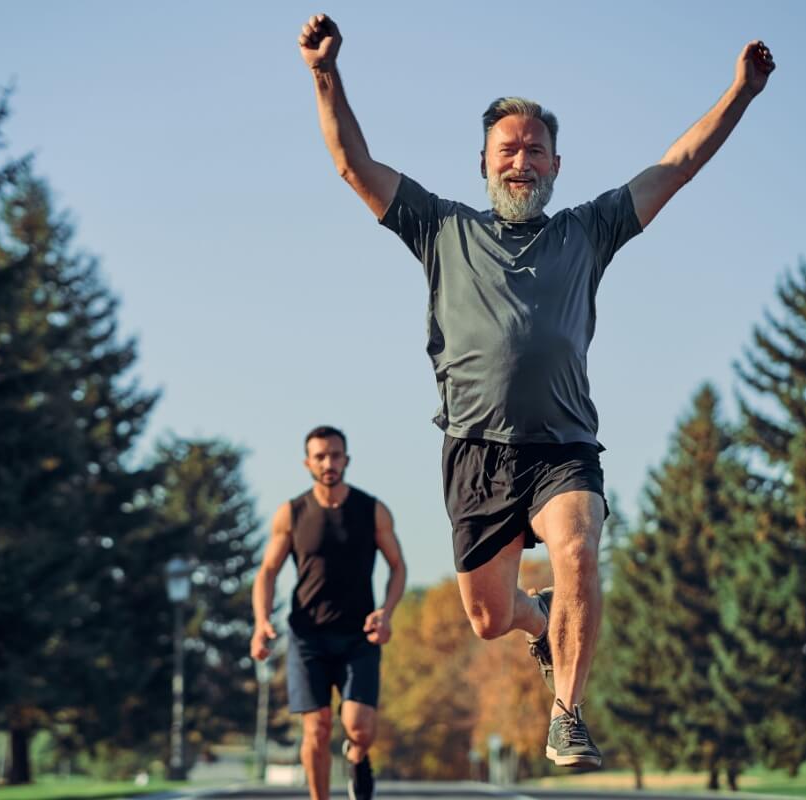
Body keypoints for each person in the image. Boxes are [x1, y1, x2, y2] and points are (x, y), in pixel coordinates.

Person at [297, 13, 774, 769]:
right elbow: (354, 165)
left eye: (535, 150)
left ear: (556, 165)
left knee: (579, 549)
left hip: (564, 447)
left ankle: (567, 713)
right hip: (475, 452)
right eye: (507, 150)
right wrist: (325, 72)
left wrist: (740, 93)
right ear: (484, 164)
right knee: (489, 618)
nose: (521, 160)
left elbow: (677, 165)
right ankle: (539, 621)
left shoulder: (590, 230)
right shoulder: (439, 227)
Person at [252, 426, 406, 800]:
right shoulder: (291, 513)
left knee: (360, 727)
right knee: (317, 728)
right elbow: (267, 572)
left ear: (346, 460)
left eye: (335, 455)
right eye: (320, 456)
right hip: (308, 637)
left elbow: (397, 566)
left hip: (359, 636)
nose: (328, 463)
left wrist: (385, 612)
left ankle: (357, 756)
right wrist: (260, 623)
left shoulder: (372, 510)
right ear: (308, 462)